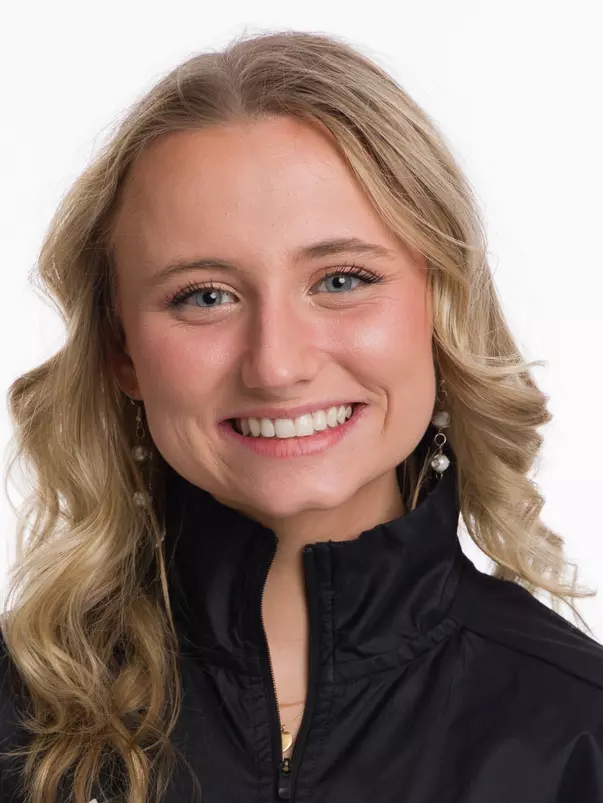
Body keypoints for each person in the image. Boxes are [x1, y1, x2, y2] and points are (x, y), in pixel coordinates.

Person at [1, 28, 602, 803]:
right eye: (204, 295)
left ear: (441, 308)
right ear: (123, 351)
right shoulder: (18, 717)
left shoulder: (573, 734)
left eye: (342, 280)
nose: (276, 364)